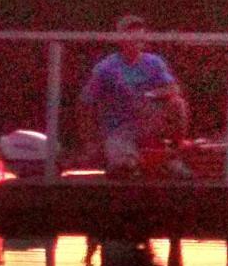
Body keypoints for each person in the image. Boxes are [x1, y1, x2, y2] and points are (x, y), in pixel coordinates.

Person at [78, 15, 191, 178]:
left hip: (149, 122)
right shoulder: (106, 67)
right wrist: (89, 141)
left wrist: (148, 96)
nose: (136, 37)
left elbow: (173, 89)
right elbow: (85, 103)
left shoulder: (154, 62)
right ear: (120, 39)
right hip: (119, 128)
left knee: (177, 104)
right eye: (130, 33)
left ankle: (174, 153)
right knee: (124, 168)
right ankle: (128, 162)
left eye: (139, 32)